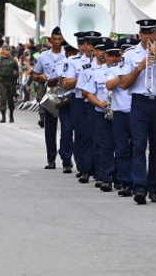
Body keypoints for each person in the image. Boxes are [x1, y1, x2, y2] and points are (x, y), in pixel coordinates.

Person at [118, 20, 156, 204]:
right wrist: (140, 67)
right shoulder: (130, 54)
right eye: (144, 33)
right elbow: (124, 83)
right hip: (139, 103)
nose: (147, 37)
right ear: (139, 34)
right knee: (138, 145)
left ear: (155, 34)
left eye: (150, 33)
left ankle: (154, 189)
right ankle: (139, 188)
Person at [62, 32, 98, 183]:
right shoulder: (73, 61)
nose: (89, 47)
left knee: (97, 137)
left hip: (96, 101)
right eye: (86, 44)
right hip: (79, 101)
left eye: (92, 44)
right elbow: (66, 83)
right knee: (82, 135)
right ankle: (84, 169)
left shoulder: (101, 62)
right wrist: (82, 77)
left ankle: (97, 169)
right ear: (81, 45)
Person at [33, 28, 70, 171]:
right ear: (50, 40)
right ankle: (51, 159)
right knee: (50, 129)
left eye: (59, 39)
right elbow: (35, 75)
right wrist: (41, 77)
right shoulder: (43, 56)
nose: (57, 42)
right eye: (54, 39)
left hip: (65, 94)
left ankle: (66, 159)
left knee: (67, 128)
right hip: (50, 95)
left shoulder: (68, 54)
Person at [82, 37, 115, 192]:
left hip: (119, 113)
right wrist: (99, 103)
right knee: (102, 144)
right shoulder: (94, 71)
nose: (104, 53)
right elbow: (86, 93)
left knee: (121, 146)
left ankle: (120, 178)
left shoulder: (123, 71)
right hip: (100, 111)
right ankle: (103, 175)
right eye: (102, 50)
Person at [107, 37, 138, 196]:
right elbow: (109, 85)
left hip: (136, 113)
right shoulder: (115, 69)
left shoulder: (139, 68)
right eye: (124, 50)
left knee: (136, 149)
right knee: (121, 150)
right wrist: (122, 75)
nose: (127, 53)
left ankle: (136, 181)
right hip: (120, 114)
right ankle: (125, 181)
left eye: (130, 50)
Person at [0, 45, 19, 123]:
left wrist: (17, 83)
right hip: (1, 82)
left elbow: (17, 72)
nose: (8, 51)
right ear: (3, 50)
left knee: (11, 99)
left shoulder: (13, 60)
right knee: (3, 99)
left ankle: (11, 115)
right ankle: (3, 116)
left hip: (11, 82)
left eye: (9, 50)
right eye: (6, 50)